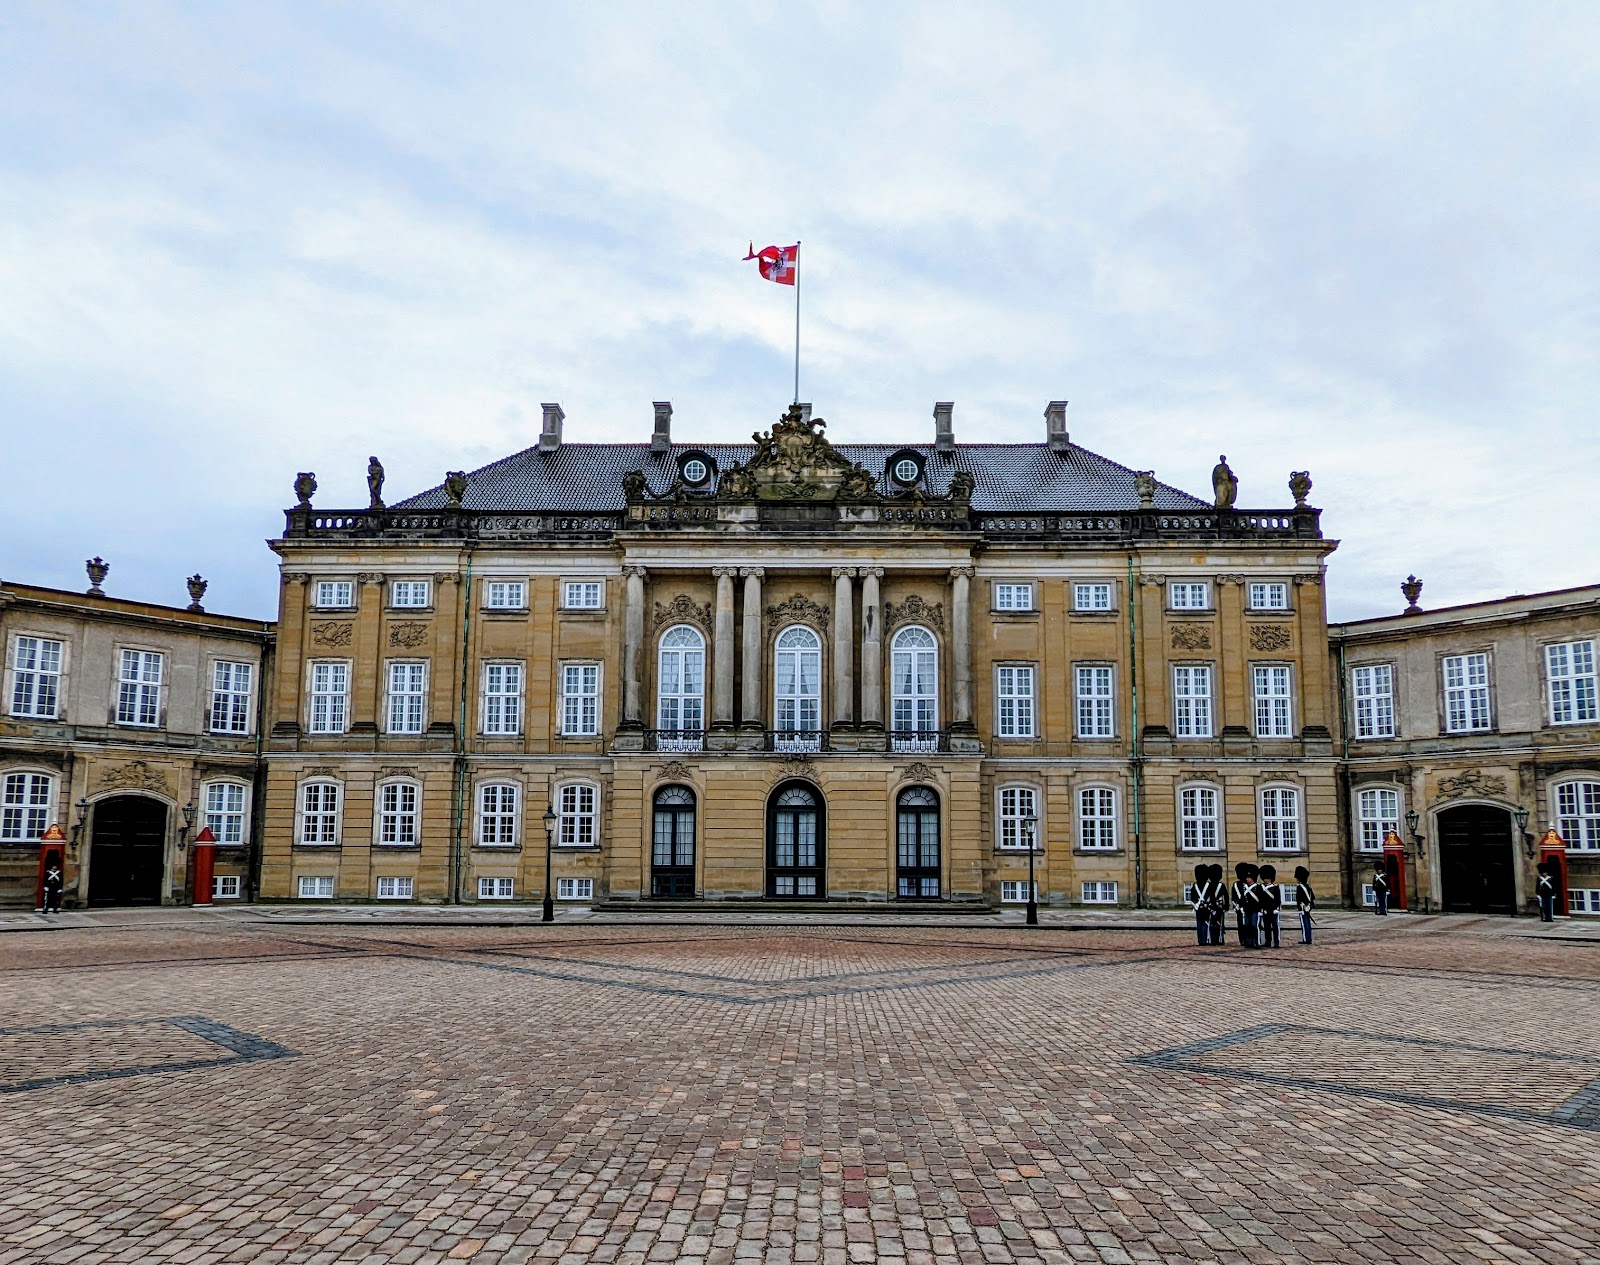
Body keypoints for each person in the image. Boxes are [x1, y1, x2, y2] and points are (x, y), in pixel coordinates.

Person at [1257, 864, 1281, 949]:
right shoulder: (1261, 887)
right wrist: (1261, 909)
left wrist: (1277, 908)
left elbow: (1278, 899)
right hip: (1265, 910)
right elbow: (1260, 899)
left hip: (1273, 910)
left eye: (1268, 878)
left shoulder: (1275, 887)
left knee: (1275, 926)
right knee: (1266, 926)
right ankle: (1268, 941)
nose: (1266, 880)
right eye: (1265, 878)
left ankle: (1276, 942)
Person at [1231, 863, 1253, 948]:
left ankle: (1248, 939)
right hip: (1239, 907)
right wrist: (1236, 906)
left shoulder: (1249, 885)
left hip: (1247, 907)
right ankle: (1242, 939)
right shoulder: (1236, 885)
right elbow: (1233, 897)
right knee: (1240, 924)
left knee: (1248, 924)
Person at [1190, 864, 1213, 945]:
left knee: (1199, 923)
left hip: (1198, 907)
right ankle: (1205, 939)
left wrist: (1195, 905)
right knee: (1205, 923)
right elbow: (1212, 897)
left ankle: (1200, 940)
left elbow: (1192, 897)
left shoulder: (1195, 885)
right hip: (1206, 907)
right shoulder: (1209, 885)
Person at [1293, 865, 1315, 945]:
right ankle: (1308, 938)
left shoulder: (1300, 887)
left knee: (1304, 924)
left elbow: (1299, 898)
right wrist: (1309, 905)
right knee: (1307, 923)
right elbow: (1312, 897)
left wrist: (1301, 907)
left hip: (1303, 908)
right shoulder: (1307, 886)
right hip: (1307, 907)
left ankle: (1306, 939)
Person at [1208, 863, 1228, 946]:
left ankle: (1213, 939)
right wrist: (1226, 907)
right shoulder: (1221, 885)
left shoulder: (1209, 885)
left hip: (1213, 907)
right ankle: (1219, 939)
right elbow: (1226, 897)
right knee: (1218, 924)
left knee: (1213, 923)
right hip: (1218, 906)